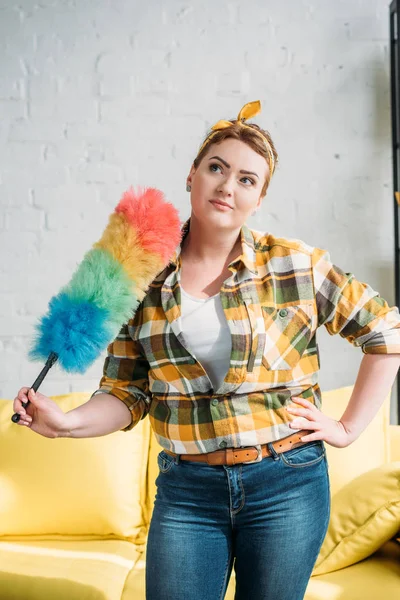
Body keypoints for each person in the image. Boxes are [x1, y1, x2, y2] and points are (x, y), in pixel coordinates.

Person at [13, 100, 400, 600]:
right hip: (187, 492)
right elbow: (127, 393)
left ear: (259, 198)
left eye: (246, 179)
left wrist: (346, 428)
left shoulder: (296, 265)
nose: (227, 185)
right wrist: (66, 423)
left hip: (288, 484)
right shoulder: (139, 276)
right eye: (217, 168)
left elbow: (386, 331)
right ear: (192, 175)